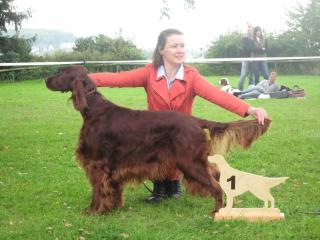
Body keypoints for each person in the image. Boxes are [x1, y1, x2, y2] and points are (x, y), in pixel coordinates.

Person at [88, 28, 268, 204]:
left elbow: (217, 94)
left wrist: (248, 109)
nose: (180, 50)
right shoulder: (149, 73)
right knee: (149, 152)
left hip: (182, 134)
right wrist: (84, 78)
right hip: (154, 134)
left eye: (182, 46)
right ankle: (159, 188)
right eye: (174, 46)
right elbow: (116, 79)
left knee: (184, 155)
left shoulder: (191, 77)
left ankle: (175, 187)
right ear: (161, 50)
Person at [238, 24, 254, 91]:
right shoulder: (244, 39)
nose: (249, 31)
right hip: (245, 59)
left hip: (254, 60)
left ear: (252, 30)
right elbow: (245, 48)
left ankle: (249, 92)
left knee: (251, 78)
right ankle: (239, 91)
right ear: (247, 31)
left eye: (250, 30)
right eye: (248, 30)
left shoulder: (255, 39)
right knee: (243, 76)